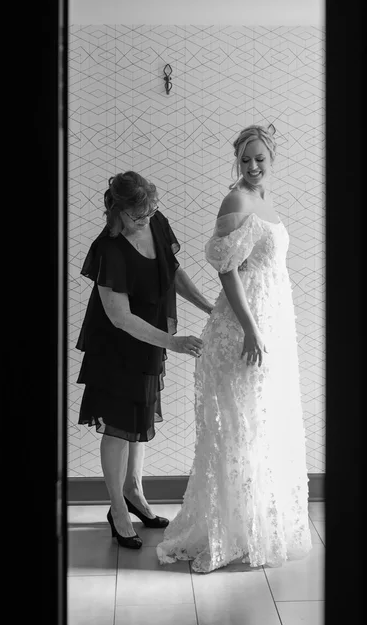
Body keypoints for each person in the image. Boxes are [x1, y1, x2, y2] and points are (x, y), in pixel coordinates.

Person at [156, 124, 313, 572]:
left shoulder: (266, 201)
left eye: (259, 158)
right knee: (238, 429)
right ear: (237, 161)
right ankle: (223, 539)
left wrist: (269, 329)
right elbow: (228, 272)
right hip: (244, 330)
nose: (252, 167)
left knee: (261, 428)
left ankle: (253, 530)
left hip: (271, 326)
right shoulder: (236, 201)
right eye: (245, 160)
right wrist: (250, 328)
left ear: (272, 157)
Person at [76, 171, 216, 549]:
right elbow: (119, 318)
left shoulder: (155, 220)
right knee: (118, 428)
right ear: (119, 211)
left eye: (151, 211)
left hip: (149, 336)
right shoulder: (108, 249)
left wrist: (210, 307)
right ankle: (117, 509)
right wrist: (172, 341)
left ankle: (134, 493)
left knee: (139, 416)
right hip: (116, 346)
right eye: (139, 215)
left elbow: (173, 272)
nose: (147, 219)